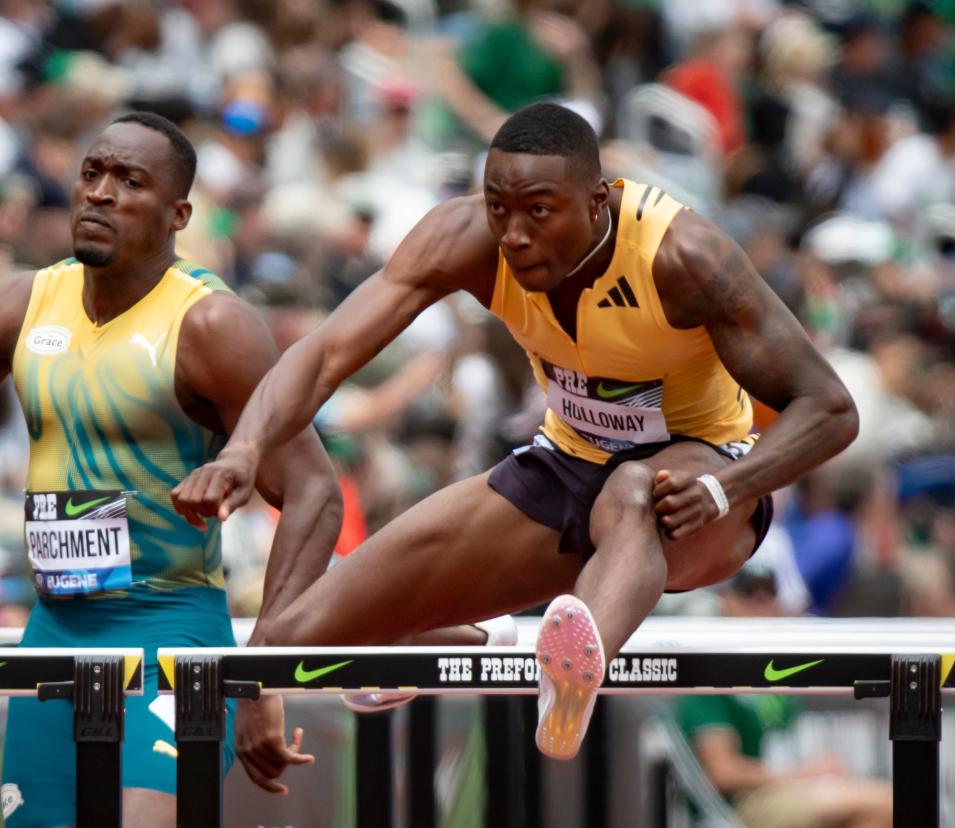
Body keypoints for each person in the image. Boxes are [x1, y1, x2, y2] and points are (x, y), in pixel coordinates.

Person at [172, 103, 858, 786]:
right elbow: (324, 355)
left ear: (597, 202)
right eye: (500, 208)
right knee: (299, 637)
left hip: (698, 493)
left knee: (632, 493)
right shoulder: (464, 237)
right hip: (565, 468)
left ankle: (571, 679)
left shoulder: (681, 256)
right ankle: (485, 638)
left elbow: (829, 408)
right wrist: (243, 449)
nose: (515, 234)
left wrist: (725, 489)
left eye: (538, 210)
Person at [0, 112, 343, 826]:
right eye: (92, 173)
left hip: (172, 636)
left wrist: (262, 670)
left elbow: (314, 493)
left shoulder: (211, 325)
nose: (101, 193)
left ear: (179, 214)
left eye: (130, 181)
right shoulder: (22, 303)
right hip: (54, 631)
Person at [677, 555, 891, 828]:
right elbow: (723, 772)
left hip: (783, 790)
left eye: (768, 595)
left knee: (877, 811)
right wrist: (805, 773)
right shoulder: (709, 672)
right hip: (741, 805)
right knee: (886, 804)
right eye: (749, 594)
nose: (760, 604)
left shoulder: (774, 671)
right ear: (725, 601)